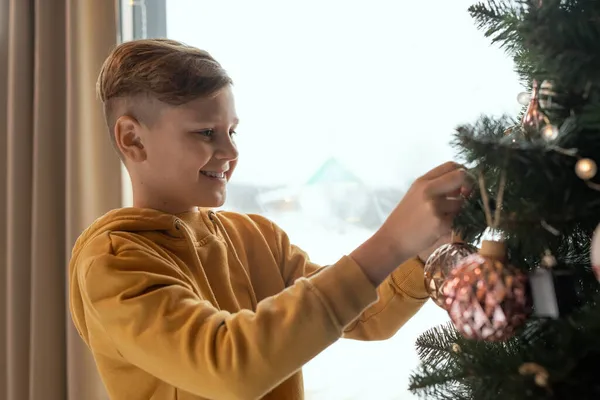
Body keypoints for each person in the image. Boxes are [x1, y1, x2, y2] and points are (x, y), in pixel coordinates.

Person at [69, 38, 470, 400]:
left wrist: (421, 252)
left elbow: (366, 315)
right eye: (206, 132)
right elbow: (230, 368)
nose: (229, 151)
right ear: (133, 139)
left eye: (232, 132)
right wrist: (392, 241)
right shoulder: (113, 261)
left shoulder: (255, 236)